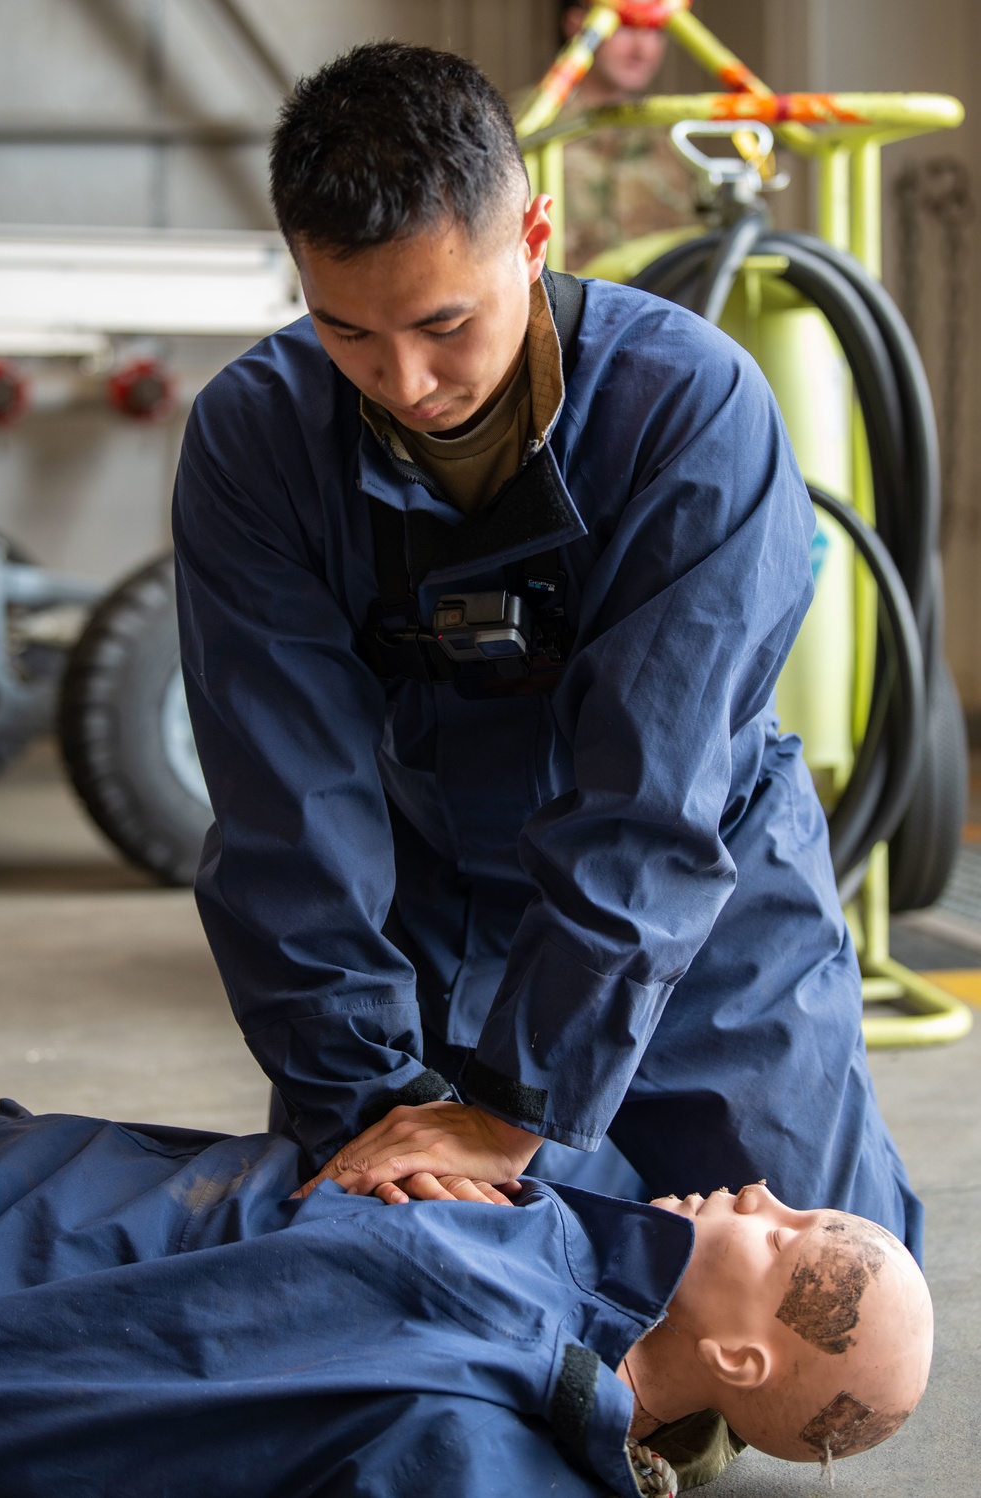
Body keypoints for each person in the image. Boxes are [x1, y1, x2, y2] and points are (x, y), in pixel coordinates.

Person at [173, 41, 923, 1259]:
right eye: (347, 332)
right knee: (397, 1263)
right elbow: (287, 816)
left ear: (531, 232)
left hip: (693, 899)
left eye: (442, 324)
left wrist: (515, 1105)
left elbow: (651, 802)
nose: (406, 382)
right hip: (423, 896)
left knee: (833, 1290)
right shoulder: (253, 442)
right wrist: (381, 1109)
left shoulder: (690, 411)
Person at [0, 1098, 933, 1497]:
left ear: (737, 1359)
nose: (762, 1192)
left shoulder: (480, 1443)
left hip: (49, 1229)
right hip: (75, 1181)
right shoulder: (593, 1249)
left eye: (782, 1233)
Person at [530, 3, 698, 270]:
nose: (642, 50)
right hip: (557, 308)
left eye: (655, 30)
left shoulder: (676, 139)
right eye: (626, 26)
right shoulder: (528, 127)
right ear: (577, 24)